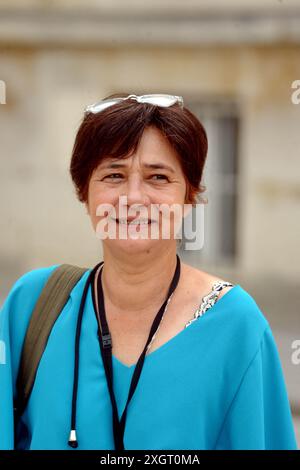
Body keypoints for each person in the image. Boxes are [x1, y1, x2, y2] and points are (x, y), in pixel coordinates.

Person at [0, 94, 297, 450]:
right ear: (85, 193)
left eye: (158, 177)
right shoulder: (32, 306)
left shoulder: (237, 325)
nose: (134, 197)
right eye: (114, 175)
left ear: (189, 197)